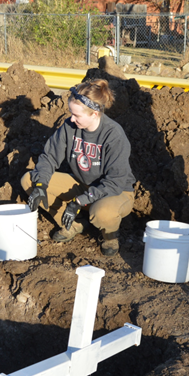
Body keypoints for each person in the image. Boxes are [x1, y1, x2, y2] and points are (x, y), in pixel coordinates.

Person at [22, 78, 136, 256]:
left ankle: (110, 236)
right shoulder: (70, 127)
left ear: (94, 114)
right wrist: (40, 185)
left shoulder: (113, 135)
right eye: (71, 113)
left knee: (102, 212)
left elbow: (115, 181)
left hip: (116, 191)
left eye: (77, 115)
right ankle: (73, 225)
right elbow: (50, 156)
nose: (72, 119)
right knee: (29, 180)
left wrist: (79, 201)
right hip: (83, 184)